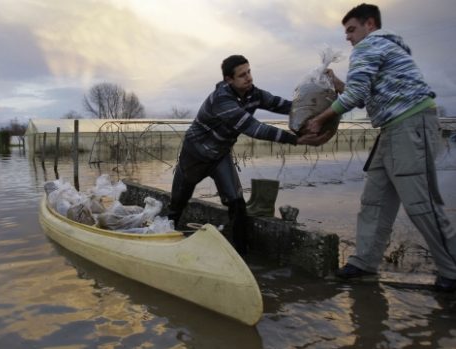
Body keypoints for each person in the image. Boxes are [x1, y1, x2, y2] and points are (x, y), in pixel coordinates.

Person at [306, 3, 456, 292]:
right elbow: (360, 96)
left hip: (410, 124)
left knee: (421, 202)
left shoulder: (370, 45)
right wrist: (336, 82)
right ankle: (364, 262)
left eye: (351, 29)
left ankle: (452, 270)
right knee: (374, 200)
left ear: (370, 24)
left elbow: (357, 95)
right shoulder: (380, 49)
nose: (348, 37)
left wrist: (320, 120)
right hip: (390, 128)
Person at [167, 54, 329, 256]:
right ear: (229, 80)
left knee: (236, 201)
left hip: (220, 156)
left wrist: (318, 108)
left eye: (249, 72)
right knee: (177, 204)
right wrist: (296, 140)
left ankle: (240, 254)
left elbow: (282, 105)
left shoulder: (253, 94)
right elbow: (254, 128)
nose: (249, 78)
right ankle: (164, 242)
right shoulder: (221, 100)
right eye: (242, 75)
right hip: (195, 156)